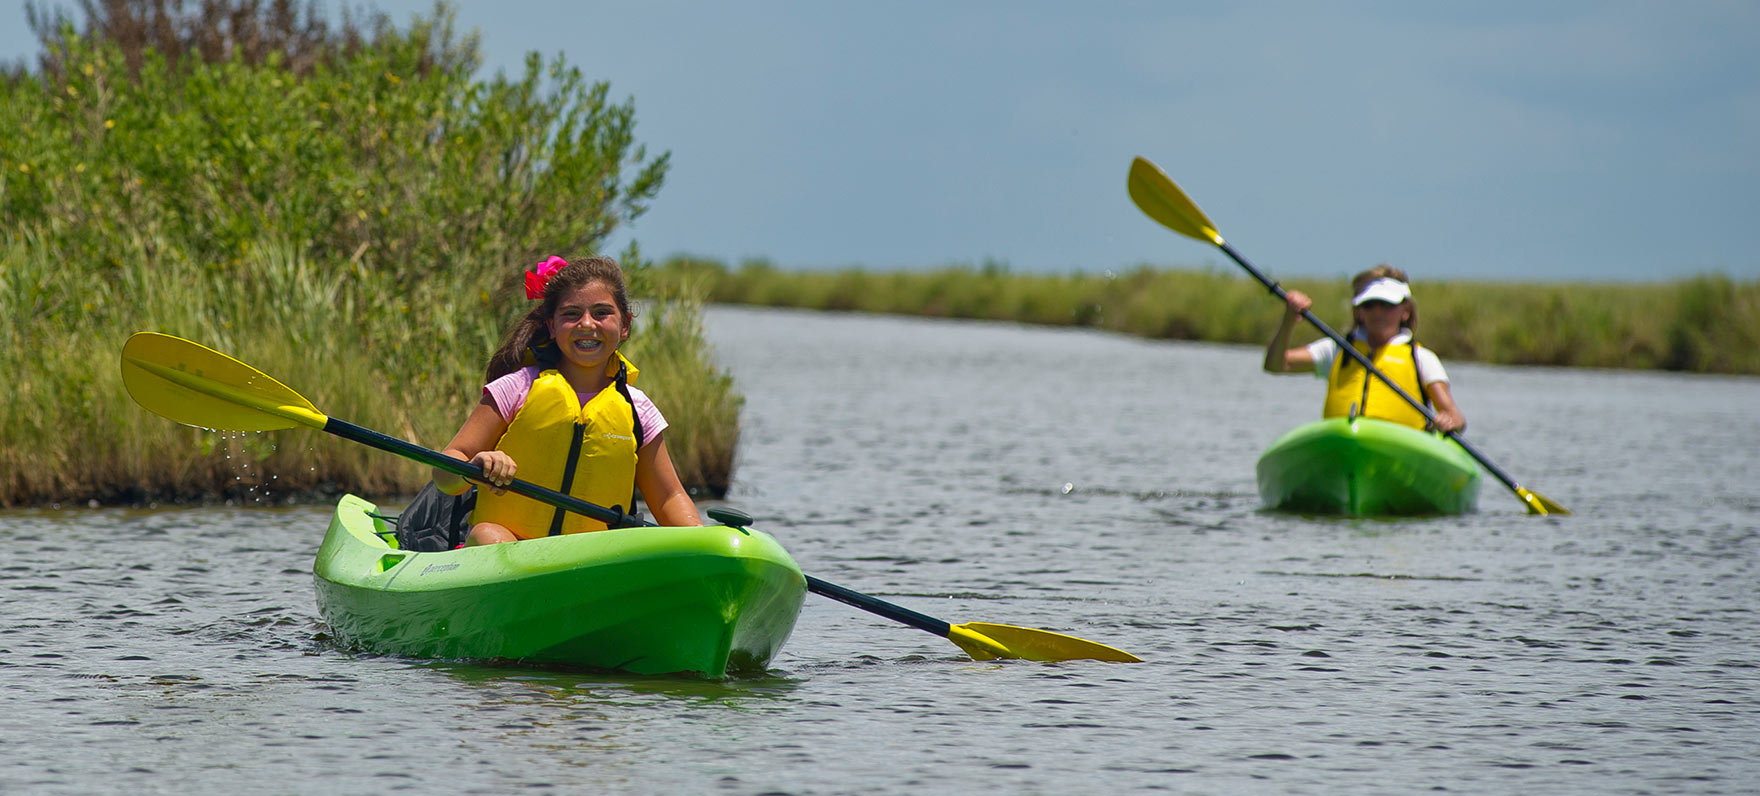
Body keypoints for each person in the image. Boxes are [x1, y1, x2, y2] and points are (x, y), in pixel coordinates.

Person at [432, 255, 702, 545]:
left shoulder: (639, 410)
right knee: (487, 535)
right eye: (571, 314)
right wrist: (475, 465)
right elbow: (445, 471)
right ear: (552, 326)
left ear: (625, 325)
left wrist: (706, 543)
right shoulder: (517, 388)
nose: (587, 324)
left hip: (592, 564)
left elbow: (668, 497)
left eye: (601, 313)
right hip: (508, 550)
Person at [1262, 264, 1465, 433]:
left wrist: (1448, 421)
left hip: (1401, 454)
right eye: (1370, 305)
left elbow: (1455, 417)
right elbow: (1275, 365)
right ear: (1359, 312)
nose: (1378, 312)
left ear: (1405, 311)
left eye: (1386, 305)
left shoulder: (1422, 358)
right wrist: (1289, 319)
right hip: (1343, 447)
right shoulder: (1336, 350)